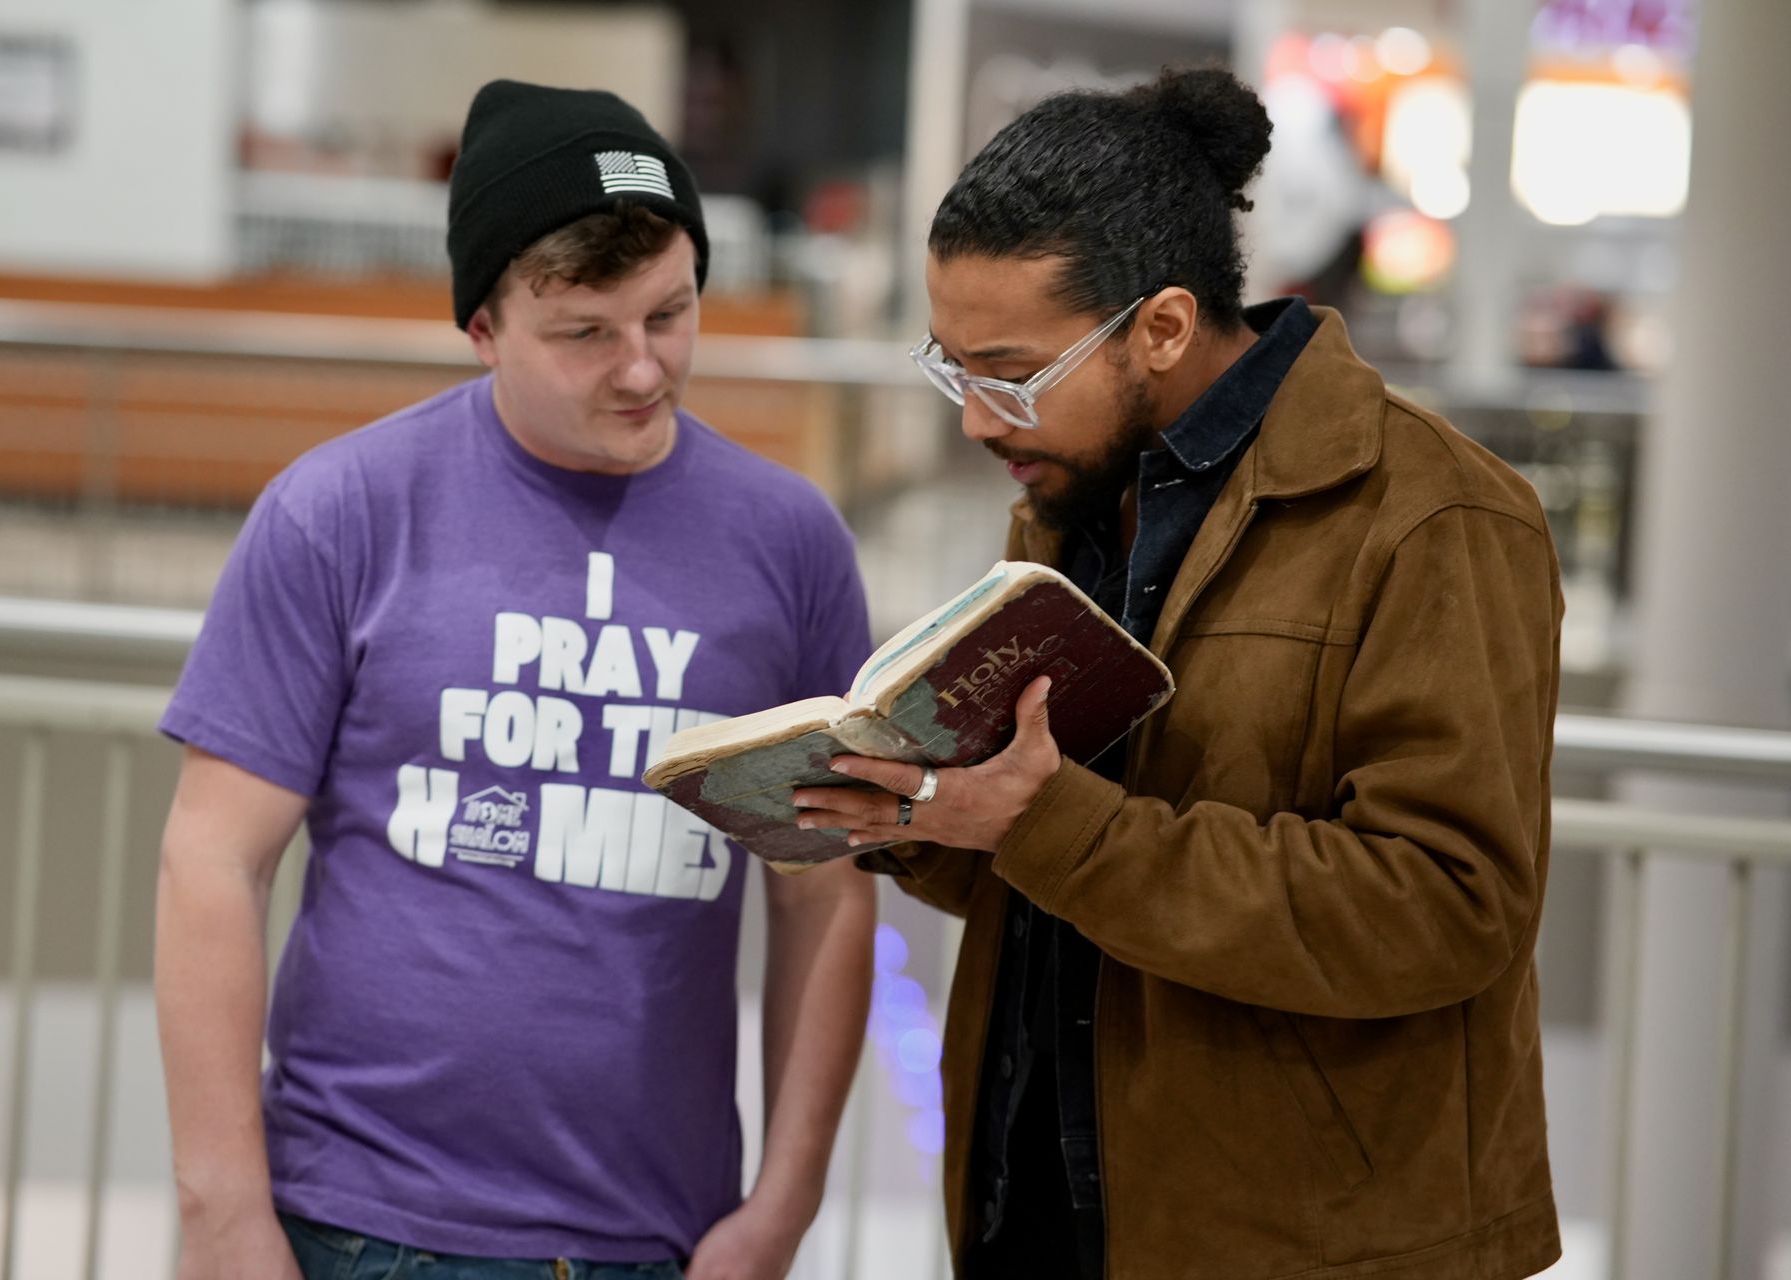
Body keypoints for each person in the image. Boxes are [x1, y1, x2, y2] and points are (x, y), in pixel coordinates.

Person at [794, 67, 1564, 1279]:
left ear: (1160, 326)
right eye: (952, 369)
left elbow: (1448, 907)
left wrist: (1050, 825)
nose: (977, 420)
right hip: (1039, 1207)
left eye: (1009, 373)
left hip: (1302, 1240)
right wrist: (919, 811)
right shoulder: (1074, 492)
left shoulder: (1434, 516)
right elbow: (1064, 864)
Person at [155, 80, 876, 1280]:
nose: (642, 369)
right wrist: (222, 1213)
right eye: (585, 332)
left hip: (655, 1237)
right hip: (361, 1225)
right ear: (484, 327)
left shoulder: (790, 544)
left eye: (670, 313)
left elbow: (823, 895)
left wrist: (782, 1209)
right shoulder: (342, 513)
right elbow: (213, 860)